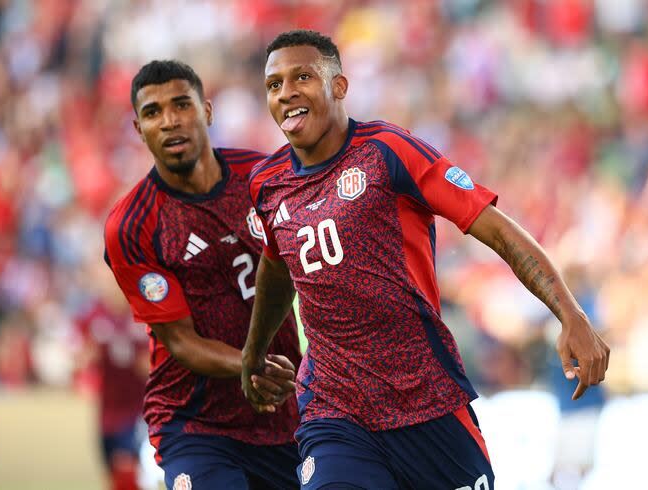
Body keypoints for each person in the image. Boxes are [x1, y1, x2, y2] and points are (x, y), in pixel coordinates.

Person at [241, 30, 611, 490]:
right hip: (334, 408)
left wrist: (570, 313)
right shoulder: (266, 183)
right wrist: (254, 352)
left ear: (339, 86)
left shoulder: (388, 151)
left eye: (302, 77)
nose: (287, 92)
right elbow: (277, 265)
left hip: (426, 399)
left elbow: (492, 225)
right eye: (274, 84)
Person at [104, 59, 302, 490]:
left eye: (181, 105)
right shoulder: (133, 225)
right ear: (139, 130)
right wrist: (254, 365)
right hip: (197, 423)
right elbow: (180, 341)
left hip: (286, 415)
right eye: (153, 113)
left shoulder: (265, 177)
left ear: (207, 111)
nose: (170, 121)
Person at [73, 262, 148, 490]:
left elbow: (152, 365)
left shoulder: (141, 316)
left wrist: (140, 362)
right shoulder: (94, 317)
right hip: (106, 415)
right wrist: (87, 359)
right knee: (113, 476)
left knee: (127, 470)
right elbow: (79, 363)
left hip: (137, 413)